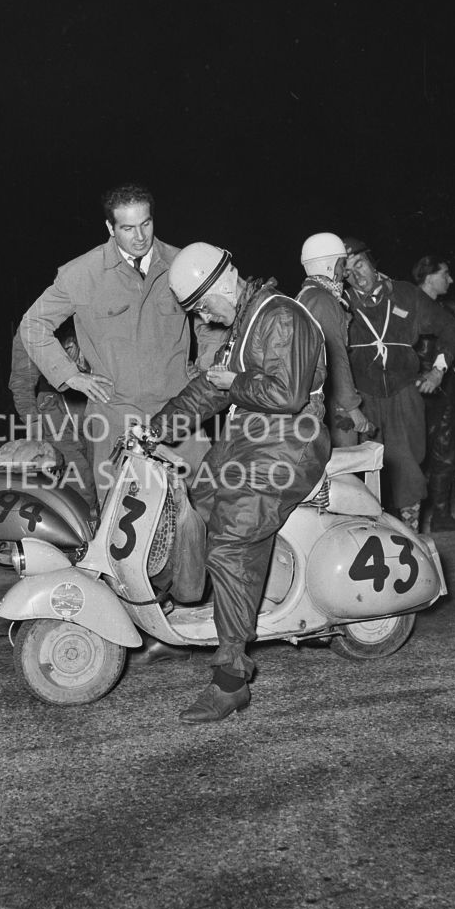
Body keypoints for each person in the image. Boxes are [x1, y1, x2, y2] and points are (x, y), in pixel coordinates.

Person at [149, 242, 330, 724]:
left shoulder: (281, 316)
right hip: (251, 436)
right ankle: (179, 621)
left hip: (292, 439)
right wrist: (155, 429)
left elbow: (287, 394)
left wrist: (233, 385)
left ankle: (230, 681)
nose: (204, 318)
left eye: (203, 305)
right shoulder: (246, 321)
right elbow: (210, 387)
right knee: (194, 503)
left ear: (224, 282)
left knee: (230, 540)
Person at [18, 183, 226, 502]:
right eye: (127, 228)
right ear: (110, 228)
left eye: (146, 224)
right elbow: (33, 324)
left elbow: (210, 321)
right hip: (115, 417)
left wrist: (206, 366)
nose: (139, 236)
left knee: (208, 501)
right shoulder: (82, 274)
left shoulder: (180, 264)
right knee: (121, 517)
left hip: (179, 412)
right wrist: (70, 375)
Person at [340, 237, 455, 531]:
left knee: (408, 468)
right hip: (361, 399)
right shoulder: (340, 303)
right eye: (347, 272)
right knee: (358, 471)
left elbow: (451, 329)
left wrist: (437, 371)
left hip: (404, 394)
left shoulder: (406, 295)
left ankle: (410, 536)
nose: (358, 275)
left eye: (360, 264)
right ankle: (372, 538)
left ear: (372, 262)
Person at [412, 254, 455, 532]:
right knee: (428, 453)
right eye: (445, 273)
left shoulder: (437, 310)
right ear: (429, 277)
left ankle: (439, 515)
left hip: (439, 390)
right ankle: (426, 516)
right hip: (425, 391)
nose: (450, 279)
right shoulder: (416, 308)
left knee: (443, 452)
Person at [8, 324, 98, 514]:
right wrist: (33, 424)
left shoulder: (88, 312)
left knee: (102, 470)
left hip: (96, 401)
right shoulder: (32, 326)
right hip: (54, 404)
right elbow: (22, 383)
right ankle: (84, 531)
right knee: (79, 475)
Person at [296, 232, 374, 447]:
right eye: (342, 264)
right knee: (344, 469)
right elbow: (337, 359)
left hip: (310, 397)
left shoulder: (306, 296)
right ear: (331, 266)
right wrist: (353, 409)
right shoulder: (323, 301)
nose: (344, 272)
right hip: (329, 401)